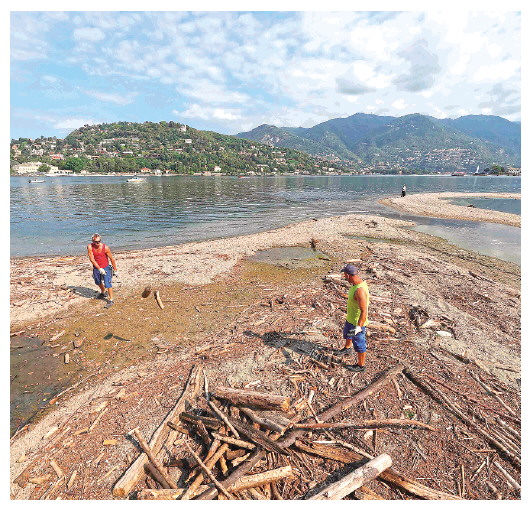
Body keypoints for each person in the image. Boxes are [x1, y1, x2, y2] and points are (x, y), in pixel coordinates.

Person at [334, 264, 370, 372]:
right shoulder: (356, 284)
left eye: (345, 275)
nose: (344, 278)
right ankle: (347, 348)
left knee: (359, 343)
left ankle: (361, 365)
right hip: (350, 319)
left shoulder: (360, 291)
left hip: (357, 323)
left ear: (349, 276)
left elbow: (364, 311)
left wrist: (359, 326)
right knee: (347, 334)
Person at [87, 233, 117, 308]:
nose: (97, 243)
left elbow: (111, 259)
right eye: (95, 242)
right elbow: (92, 259)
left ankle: (111, 299)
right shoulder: (90, 247)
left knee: (108, 283)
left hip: (106, 267)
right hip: (97, 268)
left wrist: (115, 269)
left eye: (98, 241)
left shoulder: (105, 247)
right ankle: (103, 291)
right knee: (97, 281)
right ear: (92, 241)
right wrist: (99, 268)